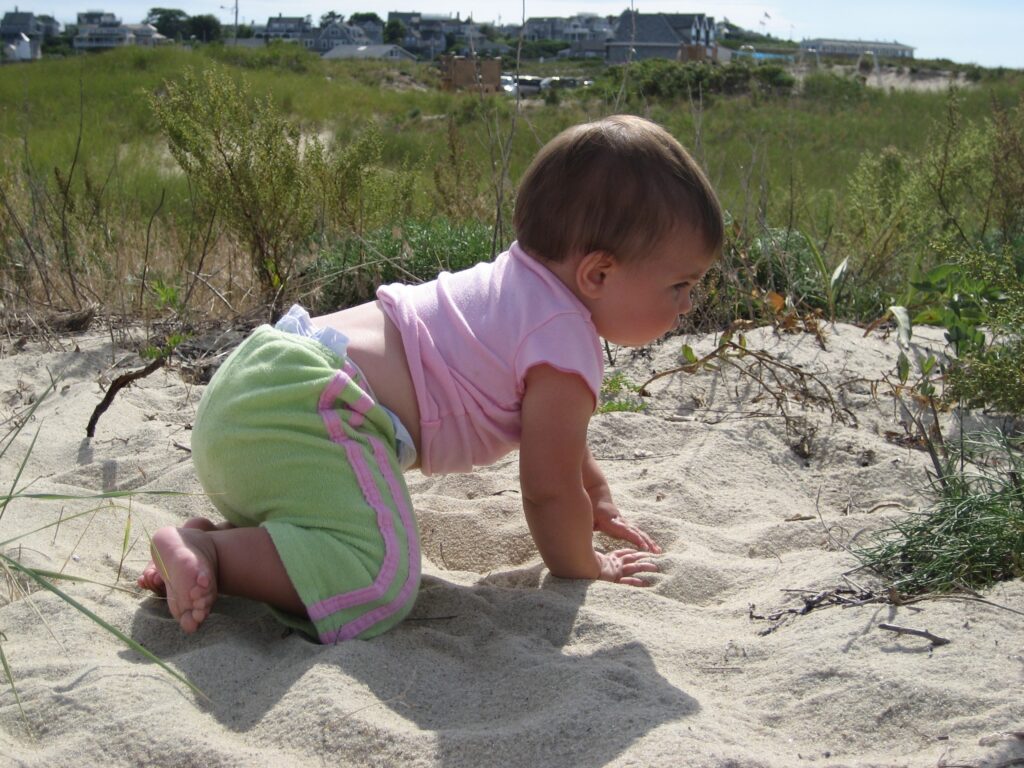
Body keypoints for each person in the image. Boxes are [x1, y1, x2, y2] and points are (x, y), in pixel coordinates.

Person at [139, 114, 724, 643]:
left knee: (332, 519)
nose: (686, 304)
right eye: (680, 285)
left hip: (253, 390)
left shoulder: (518, 289)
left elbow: (563, 449)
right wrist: (585, 565)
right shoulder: (564, 339)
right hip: (310, 404)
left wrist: (595, 496)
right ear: (598, 272)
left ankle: (222, 547)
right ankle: (209, 550)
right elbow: (547, 489)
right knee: (379, 578)